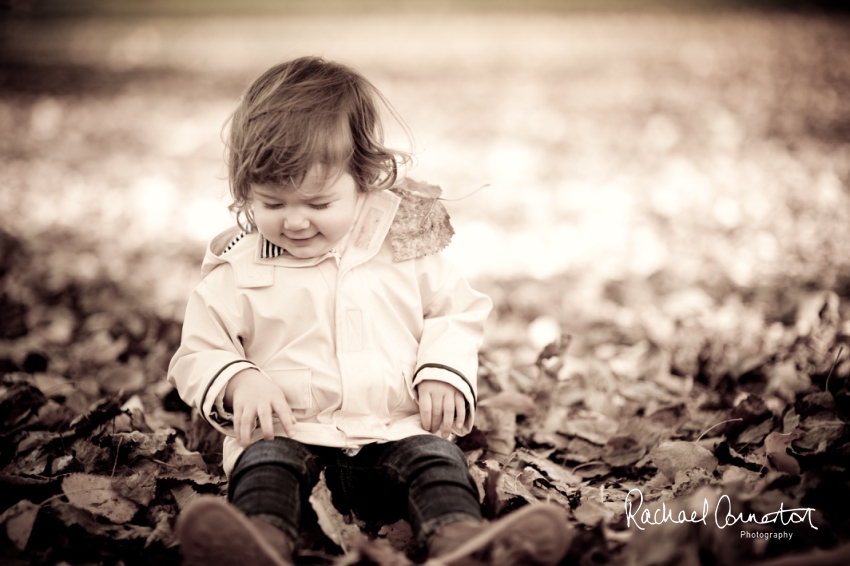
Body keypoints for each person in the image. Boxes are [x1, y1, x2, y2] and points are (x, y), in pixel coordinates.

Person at [167, 56, 570, 566]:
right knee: (263, 463)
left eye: (317, 204)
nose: (294, 222)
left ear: (363, 179)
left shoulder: (405, 246)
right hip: (295, 438)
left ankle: (460, 542)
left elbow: (455, 310)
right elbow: (198, 350)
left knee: (438, 462)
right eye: (271, 204)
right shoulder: (236, 268)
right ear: (246, 192)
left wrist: (443, 371)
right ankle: (258, 543)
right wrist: (238, 379)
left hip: (392, 433)